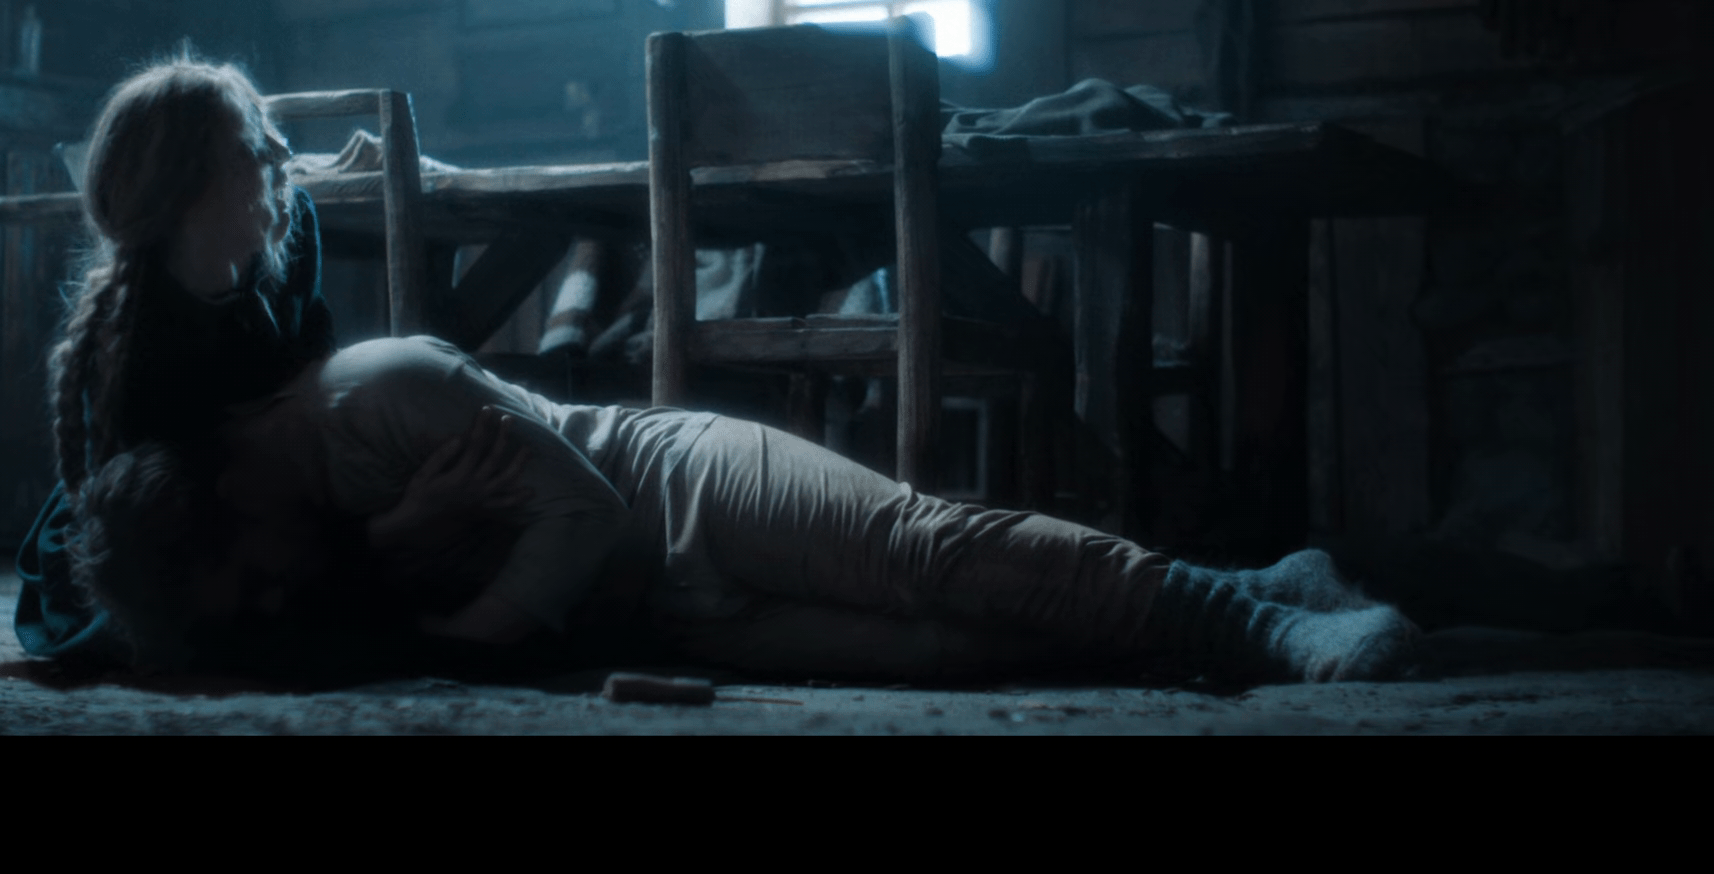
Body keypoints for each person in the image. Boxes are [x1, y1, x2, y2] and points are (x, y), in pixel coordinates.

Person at [74, 335, 1421, 685]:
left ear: (227, 491)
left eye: (247, 576)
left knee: (925, 555)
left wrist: (469, 634)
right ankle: (1261, 586)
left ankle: (1265, 626)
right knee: (963, 653)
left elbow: (582, 508)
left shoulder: (379, 393)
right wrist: (390, 550)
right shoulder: (321, 532)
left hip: (678, 484)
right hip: (667, 617)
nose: (272, 599)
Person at [14, 55, 337, 664]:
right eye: (252, 150)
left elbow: (316, 355)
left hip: (281, 466)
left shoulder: (290, 231)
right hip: (175, 507)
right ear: (188, 193)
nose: (282, 156)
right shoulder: (139, 343)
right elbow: (177, 505)